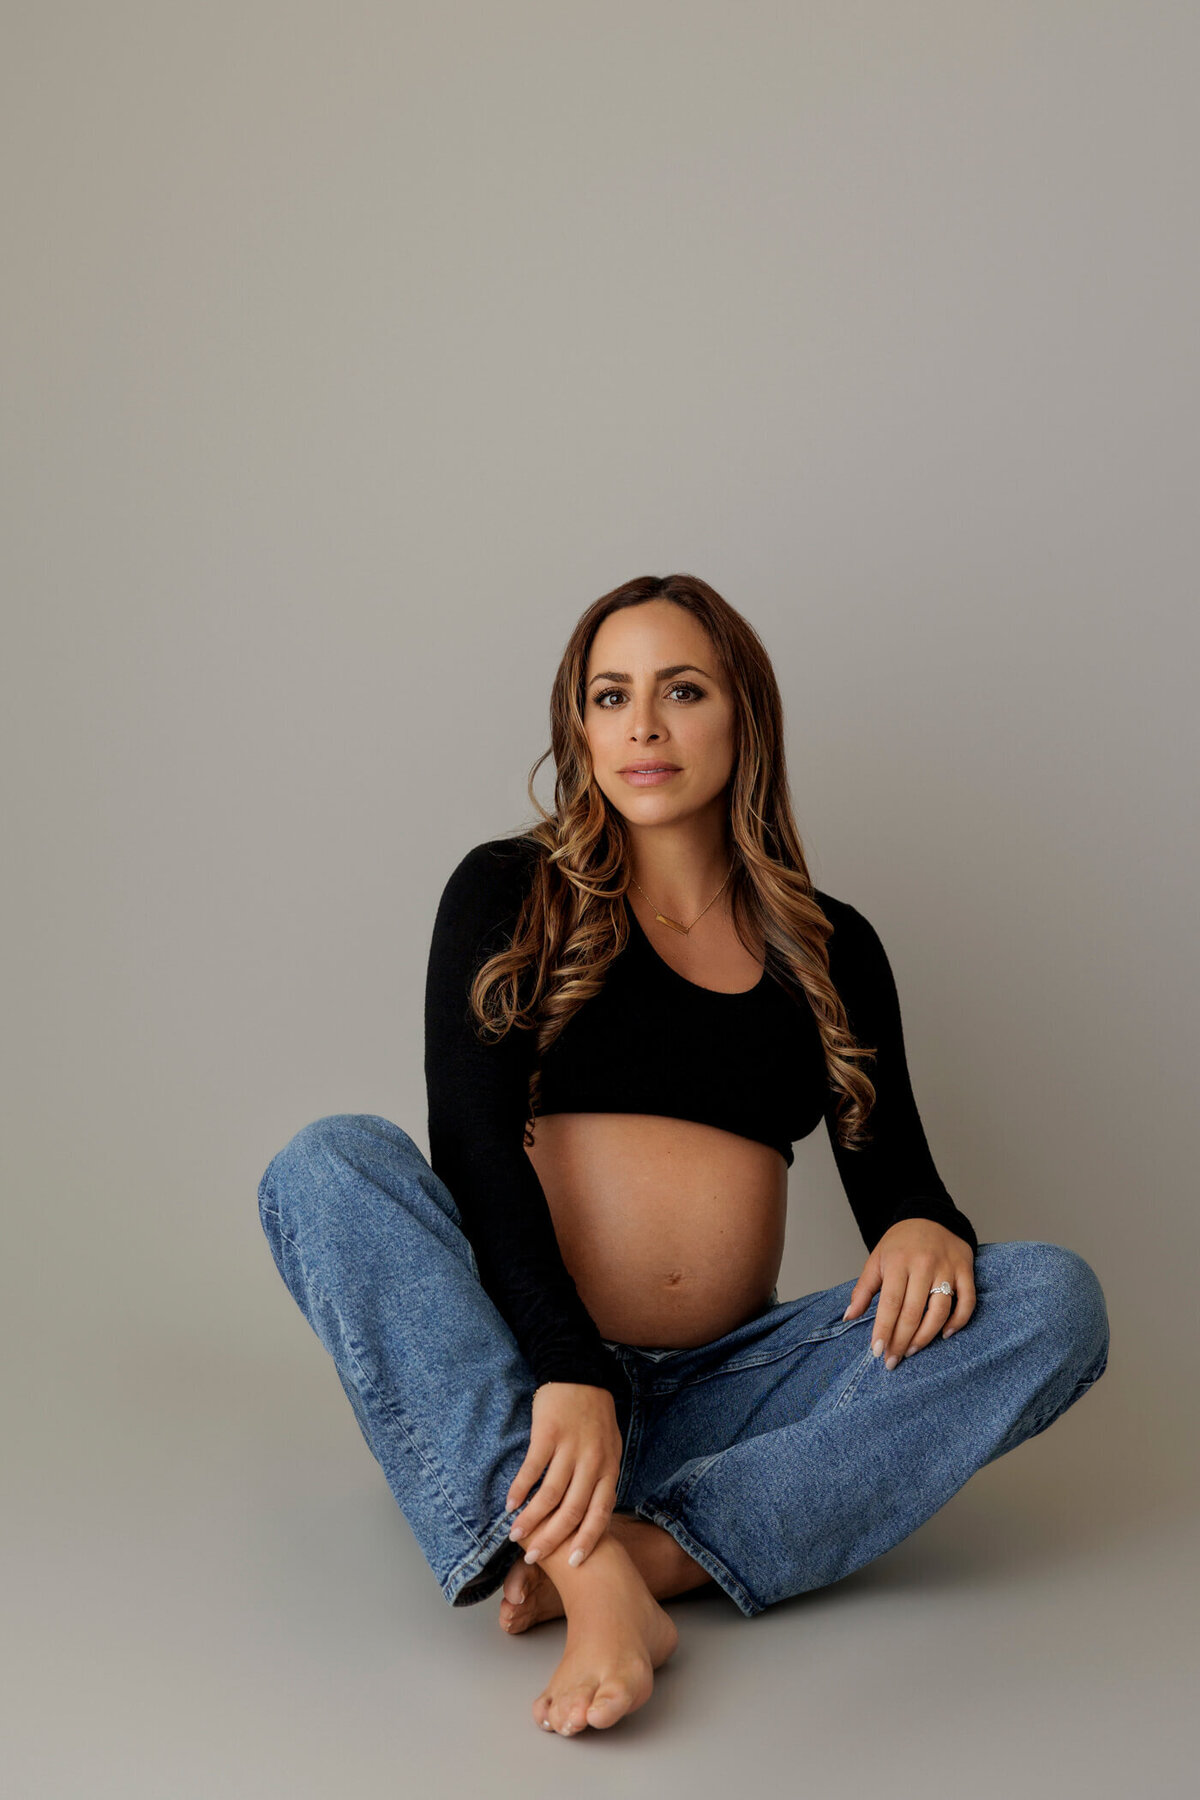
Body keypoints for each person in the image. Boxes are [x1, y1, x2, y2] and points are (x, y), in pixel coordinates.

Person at [256, 572, 1110, 1739]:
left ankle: (651, 1556)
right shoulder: (514, 893)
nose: (643, 726)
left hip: (732, 1398)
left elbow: (896, 1177)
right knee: (327, 1163)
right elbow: (472, 1156)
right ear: (582, 729)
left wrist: (923, 1221)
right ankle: (585, 1560)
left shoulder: (828, 947)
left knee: (1054, 1299)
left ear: (740, 717)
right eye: (611, 696)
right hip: (531, 1384)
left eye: (682, 690)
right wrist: (568, 1369)